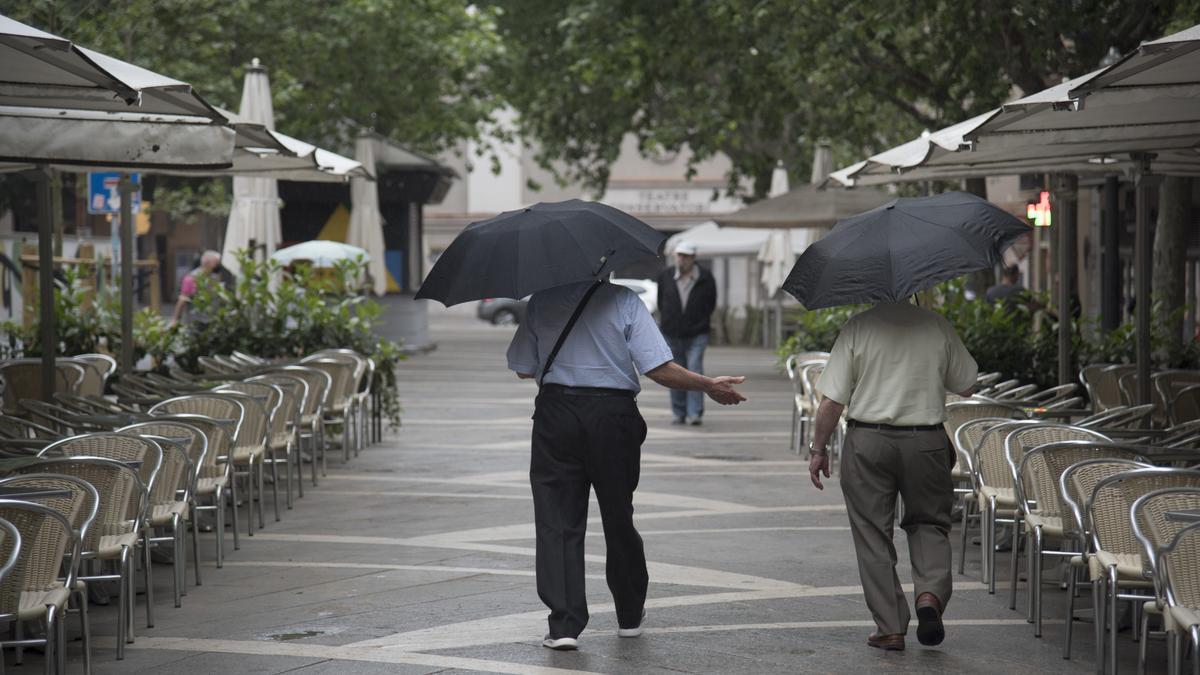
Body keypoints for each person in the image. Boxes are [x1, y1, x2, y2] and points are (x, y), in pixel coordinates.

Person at [507, 279, 746, 651]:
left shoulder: (541, 300)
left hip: (557, 414)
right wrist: (707, 384)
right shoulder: (623, 300)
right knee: (618, 515)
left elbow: (523, 367)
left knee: (557, 520)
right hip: (612, 414)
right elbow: (657, 367)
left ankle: (564, 624)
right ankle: (630, 613)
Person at [807, 299, 978, 652]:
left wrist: (818, 449)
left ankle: (890, 627)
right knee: (930, 523)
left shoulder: (858, 326)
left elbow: (831, 401)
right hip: (926, 440)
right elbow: (967, 384)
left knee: (872, 532)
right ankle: (929, 595)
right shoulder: (936, 325)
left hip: (868, 441)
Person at [655, 241, 717, 425]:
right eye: (679, 255)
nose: (681, 259)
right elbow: (661, 302)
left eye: (685, 256)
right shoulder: (665, 276)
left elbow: (711, 304)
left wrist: (700, 322)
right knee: (675, 373)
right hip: (671, 332)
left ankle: (695, 412)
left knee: (695, 369)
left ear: (693, 258)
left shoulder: (705, 277)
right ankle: (679, 411)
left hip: (697, 332)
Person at [170, 250, 230, 328]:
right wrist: (175, 320)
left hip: (212, 322)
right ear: (207, 263)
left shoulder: (214, 278)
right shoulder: (191, 279)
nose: (218, 265)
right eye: (216, 263)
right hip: (195, 323)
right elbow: (183, 299)